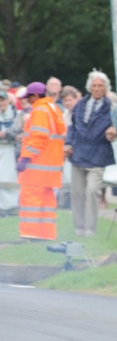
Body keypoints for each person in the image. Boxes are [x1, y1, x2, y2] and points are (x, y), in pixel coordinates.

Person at [65, 70, 117, 237]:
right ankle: (79, 228)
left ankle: (90, 229)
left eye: (100, 86)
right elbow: (73, 127)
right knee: (77, 193)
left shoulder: (112, 107)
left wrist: (115, 129)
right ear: (89, 87)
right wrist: (68, 143)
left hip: (98, 154)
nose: (97, 89)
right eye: (94, 85)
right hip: (79, 153)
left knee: (92, 191)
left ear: (106, 88)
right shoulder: (80, 104)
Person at [16, 82, 67, 240]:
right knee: (47, 201)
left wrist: (25, 157)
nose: (27, 100)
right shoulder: (54, 109)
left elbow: (39, 137)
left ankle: (30, 234)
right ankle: (47, 234)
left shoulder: (39, 111)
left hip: (36, 166)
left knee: (30, 199)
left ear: (37, 96)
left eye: (29, 97)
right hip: (50, 167)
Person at [0, 89, 21, 215]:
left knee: (10, 178)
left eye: (3, 100)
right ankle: (2, 207)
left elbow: (18, 130)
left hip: (11, 150)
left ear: (8, 101)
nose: (1, 103)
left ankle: (13, 206)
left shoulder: (16, 114)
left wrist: (6, 134)